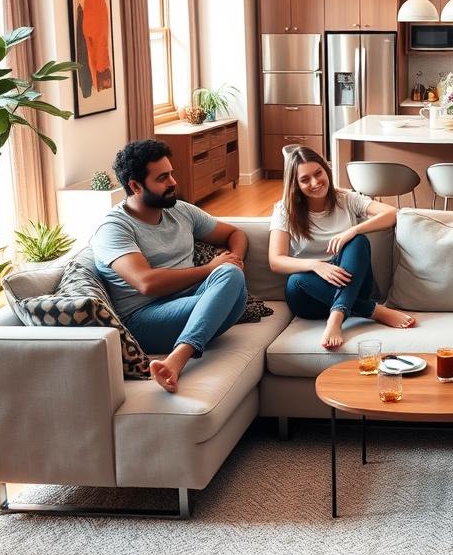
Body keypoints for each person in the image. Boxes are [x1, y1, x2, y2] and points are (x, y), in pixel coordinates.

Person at [92, 139, 249, 394]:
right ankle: (178, 359)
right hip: (146, 318)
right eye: (163, 178)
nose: (173, 182)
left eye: (171, 174)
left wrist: (235, 260)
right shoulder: (114, 229)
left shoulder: (179, 210)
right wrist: (210, 269)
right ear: (135, 186)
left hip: (196, 303)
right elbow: (146, 283)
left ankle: (189, 341)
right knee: (226, 279)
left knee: (231, 275)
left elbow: (236, 234)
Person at [268, 146, 416, 349]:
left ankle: (335, 319)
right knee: (296, 281)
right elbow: (276, 261)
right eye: (305, 179)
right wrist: (315, 265)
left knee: (358, 241)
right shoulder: (285, 210)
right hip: (311, 296)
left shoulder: (346, 199)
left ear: (326, 170)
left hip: (352, 284)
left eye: (318, 173)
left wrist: (353, 231)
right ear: (295, 184)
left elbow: (392, 213)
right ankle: (374, 311)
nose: (315, 183)